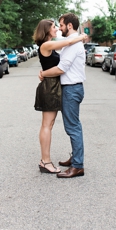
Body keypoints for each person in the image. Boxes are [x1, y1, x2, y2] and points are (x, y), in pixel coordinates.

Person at [33, 18, 88, 174]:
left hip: (56, 87)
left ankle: (73, 160)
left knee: (51, 125)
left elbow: (62, 57)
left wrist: (43, 72)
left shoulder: (51, 45)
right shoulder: (46, 45)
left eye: (59, 25)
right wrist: (80, 37)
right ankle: (45, 162)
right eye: (54, 26)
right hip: (50, 88)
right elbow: (68, 43)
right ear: (46, 30)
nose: (57, 28)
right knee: (47, 125)